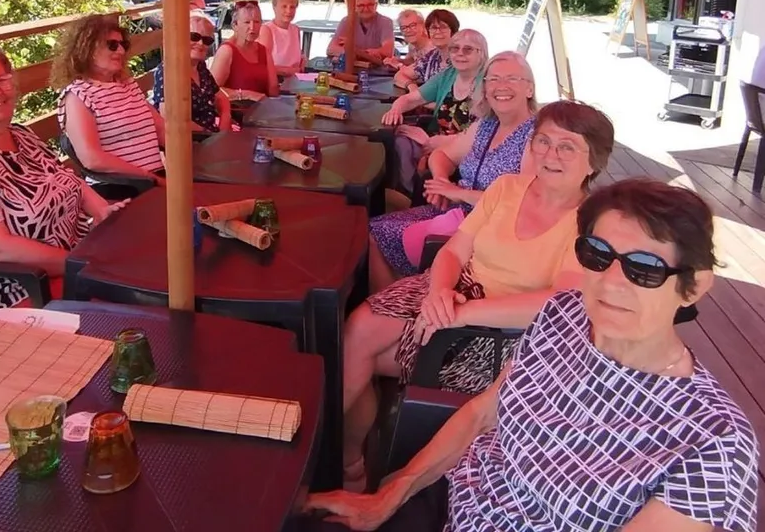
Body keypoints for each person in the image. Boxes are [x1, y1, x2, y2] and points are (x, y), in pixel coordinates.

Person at [308, 178, 759, 532]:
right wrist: (393, 493)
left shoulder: (713, 442)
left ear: (694, 286)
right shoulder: (563, 315)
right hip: (450, 500)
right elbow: (486, 412)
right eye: (597, 255)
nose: (611, 281)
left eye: (644, 268)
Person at [338, 100, 615, 492]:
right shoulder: (507, 188)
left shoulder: (591, 224)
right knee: (358, 329)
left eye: (567, 146)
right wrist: (439, 292)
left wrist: (463, 312)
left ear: (593, 162)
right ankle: (349, 460)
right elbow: (455, 248)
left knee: (361, 357)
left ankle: (350, 467)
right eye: (543, 141)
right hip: (453, 291)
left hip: (502, 333)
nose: (550, 155)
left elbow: (554, 302)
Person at [0, 44, 126, 325]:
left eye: (2, 81)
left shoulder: (21, 136)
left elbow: (65, 179)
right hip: (20, 297)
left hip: (78, 267)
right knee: (147, 303)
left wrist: (101, 209)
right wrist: (80, 265)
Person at [372, 51, 536, 285]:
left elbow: (523, 202)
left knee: (377, 235)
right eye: (493, 79)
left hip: (486, 230)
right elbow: (442, 155)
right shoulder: (486, 125)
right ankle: (395, 299)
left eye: (512, 79)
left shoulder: (536, 137)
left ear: (529, 89)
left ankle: (391, 305)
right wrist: (442, 182)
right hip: (455, 211)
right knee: (373, 224)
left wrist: (459, 193)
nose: (501, 86)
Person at [54, 15, 165, 183]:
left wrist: (184, 162)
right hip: (120, 187)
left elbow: (162, 129)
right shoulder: (78, 95)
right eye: (112, 45)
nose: (121, 51)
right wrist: (149, 177)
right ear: (88, 49)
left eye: (123, 45)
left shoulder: (127, 85)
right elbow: (92, 159)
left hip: (156, 179)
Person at [383, 29, 487, 139]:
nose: (460, 53)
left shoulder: (489, 81)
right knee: (396, 138)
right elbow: (410, 99)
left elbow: (483, 135)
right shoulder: (448, 75)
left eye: (468, 49)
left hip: (466, 151)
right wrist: (395, 110)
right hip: (436, 143)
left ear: (481, 53)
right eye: (455, 48)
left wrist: (431, 141)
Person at [152, 13, 232, 134]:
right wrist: (209, 134)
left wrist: (225, 122)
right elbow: (169, 118)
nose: (200, 43)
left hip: (211, 135)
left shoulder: (200, 66)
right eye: (194, 36)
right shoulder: (168, 71)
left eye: (207, 40)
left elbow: (221, 98)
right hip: (188, 141)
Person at [210, 1, 279, 99]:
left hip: (263, 109)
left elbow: (273, 89)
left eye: (257, 22)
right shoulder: (227, 51)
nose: (252, 27)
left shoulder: (263, 50)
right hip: (236, 111)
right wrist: (246, 94)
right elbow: (213, 90)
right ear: (235, 25)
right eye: (247, 22)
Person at [327, 0, 395, 63]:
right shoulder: (347, 21)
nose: (366, 9)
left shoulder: (385, 22)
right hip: (352, 67)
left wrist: (354, 51)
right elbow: (331, 49)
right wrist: (366, 54)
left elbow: (388, 52)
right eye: (361, 5)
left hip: (377, 68)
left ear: (376, 5)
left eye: (370, 5)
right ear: (354, 6)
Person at [397, 8, 459, 91]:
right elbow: (400, 75)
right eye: (433, 28)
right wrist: (412, 87)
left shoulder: (461, 57)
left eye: (443, 27)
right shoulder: (430, 58)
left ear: (453, 31)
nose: (438, 32)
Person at [258, 0, 305, 77]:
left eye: (292, 7)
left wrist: (302, 60)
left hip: (295, 78)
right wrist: (287, 71)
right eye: (284, 6)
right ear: (274, 7)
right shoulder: (267, 29)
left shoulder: (296, 29)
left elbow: (296, 56)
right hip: (274, 79)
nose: (288, 11)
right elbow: (262, 64)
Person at [384, 9, 434, 81]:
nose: (408, 30)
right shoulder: (412, 45)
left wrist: (399, 65)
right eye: (404, 28)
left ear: (423, 26)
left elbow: (420, 72)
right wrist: (398, 60)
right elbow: (411, 61)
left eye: (412, 25)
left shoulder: (432, 48)